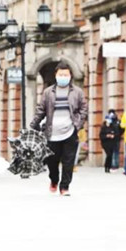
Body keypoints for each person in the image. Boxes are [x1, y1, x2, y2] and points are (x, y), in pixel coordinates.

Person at [30, 61, 88, 196]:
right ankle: (54, 180)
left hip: (70, 131)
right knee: (52, 161)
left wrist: (77, 125)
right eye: (61, 74)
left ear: (70, 76)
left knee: (69, 162)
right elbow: (41, 110)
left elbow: (83, 109)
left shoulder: (77, 92)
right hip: (52, 133)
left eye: (66, 74)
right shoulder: (48, 92)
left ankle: (64, 187)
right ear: (56, 75)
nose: (63, 77)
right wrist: (34, 124)